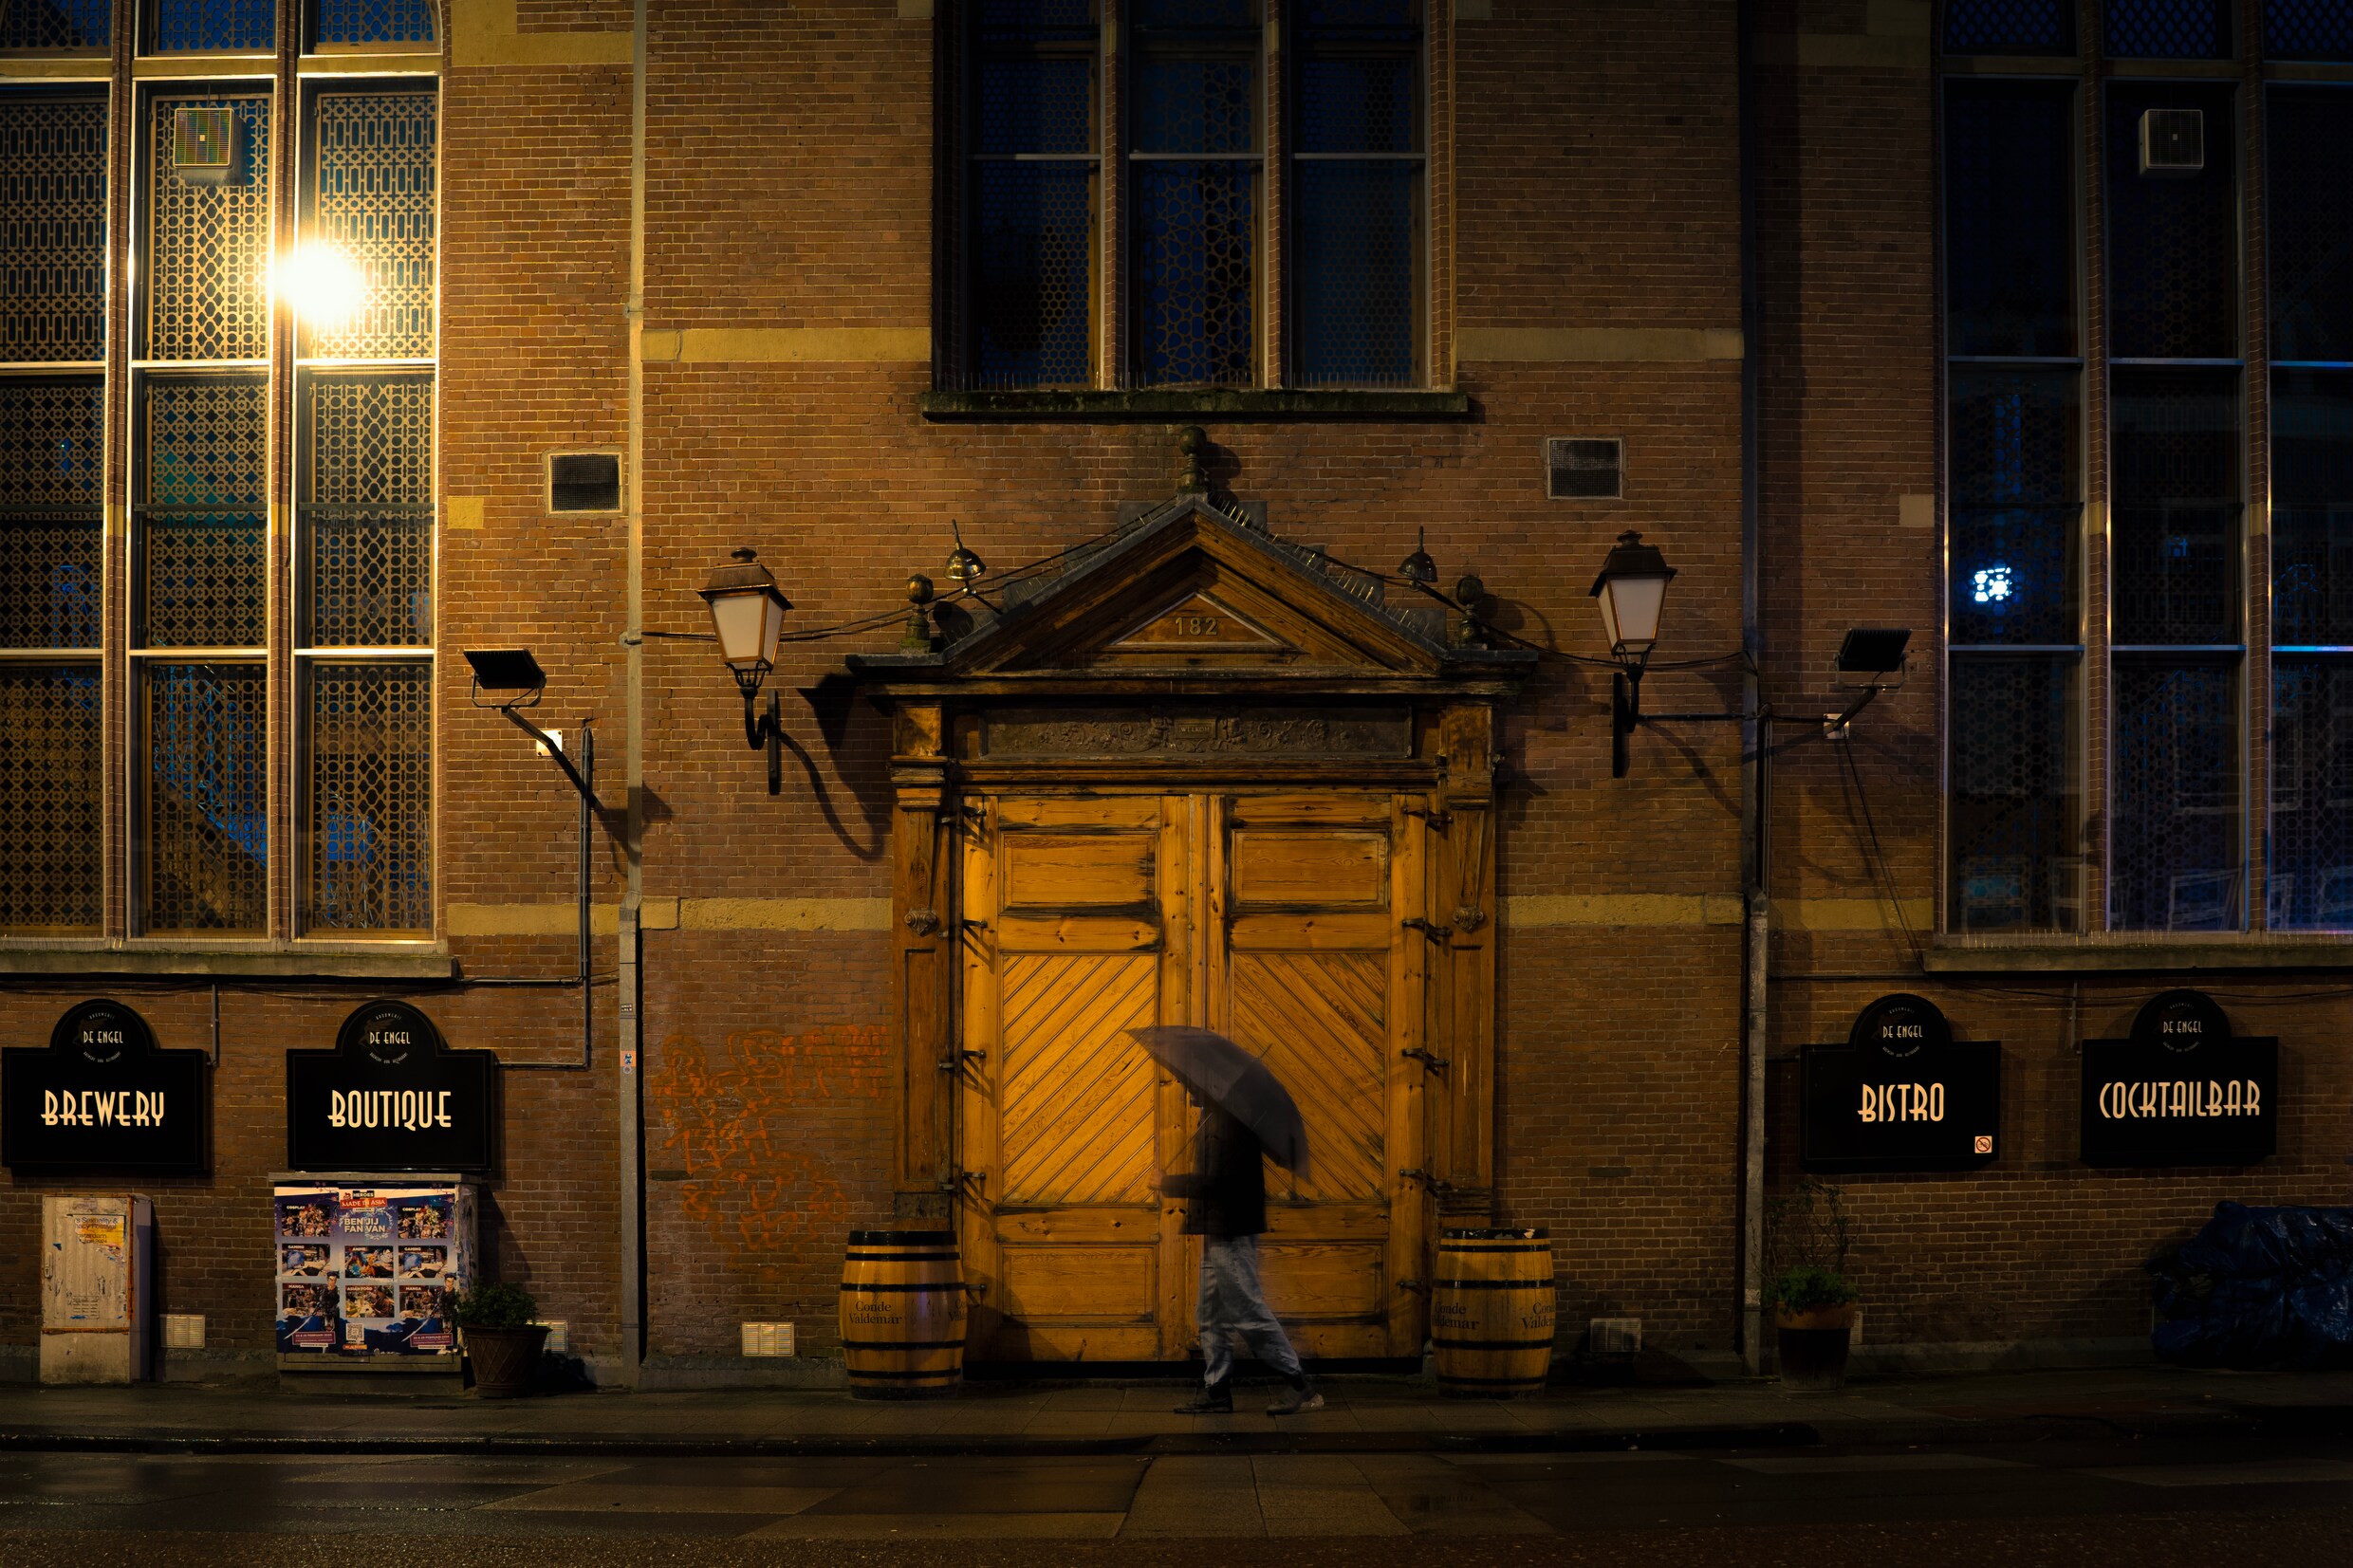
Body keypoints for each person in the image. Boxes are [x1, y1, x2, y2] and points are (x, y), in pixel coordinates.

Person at [1159, 1096, 1322, 1416]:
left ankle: (1298, 1383)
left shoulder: (1231, 1120)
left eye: (1193, 1079)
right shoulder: (1214, 1116)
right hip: (1216, 1229)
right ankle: (1217, 1391)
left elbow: (1223, 1182)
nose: (1187, 1087)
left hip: (1231, 1231)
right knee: (1210, 1315)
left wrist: (1169, 1182)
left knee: (1247, 1310)